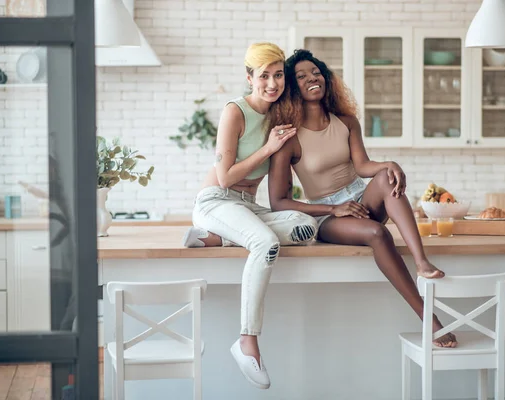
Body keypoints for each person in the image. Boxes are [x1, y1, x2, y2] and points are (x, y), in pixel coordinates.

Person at [266, 49, 457, 348]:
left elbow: (363, 167)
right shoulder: (287, 138)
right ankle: (428, 319)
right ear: (292, 89)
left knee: (385, 177)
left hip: (360, 199)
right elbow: (278, 202)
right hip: (328, 215)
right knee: (376, 232)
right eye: (301, 76)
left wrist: (387, 165)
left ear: (325, 77)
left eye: (316, 72)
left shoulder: (346, 121)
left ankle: (421, 262)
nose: (312, 78)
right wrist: (334, 208)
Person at [190, 42, 319, 389]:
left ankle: (219, 237)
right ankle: (247, 341)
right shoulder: (235, 111)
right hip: (216, 201)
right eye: (264, 76)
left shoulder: (281, 115)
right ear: (249, 77)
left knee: (306, 226)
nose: (272, 83)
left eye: (278, 75)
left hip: (247, 208)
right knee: (264, 243)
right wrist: (269, 147)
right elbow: (225, 177)